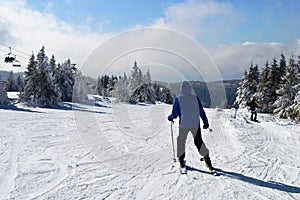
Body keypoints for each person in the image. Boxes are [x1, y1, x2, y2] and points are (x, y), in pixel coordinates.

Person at [167, 81, 213, 172]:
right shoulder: (195, 98)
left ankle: (181, 161)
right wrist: (205, 122)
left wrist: (170, 117)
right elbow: (201, 111)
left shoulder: (178, 98)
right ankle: (208, 161)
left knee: (181, 142)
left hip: (183, 124)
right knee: (199, 143)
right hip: (195, 124)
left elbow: (175, 114)